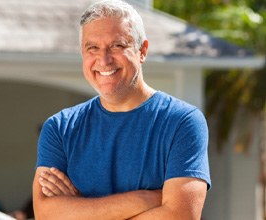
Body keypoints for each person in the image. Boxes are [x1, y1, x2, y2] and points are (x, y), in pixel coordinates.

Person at [33, 0, 211, 219]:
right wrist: (148, 199)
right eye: (92, 48)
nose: (104, 60)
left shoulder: (181, 122)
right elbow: (45, 214)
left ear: (142, 50)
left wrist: (79, 209)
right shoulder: (60, 128)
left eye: (117, 46)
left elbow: (180, 216)